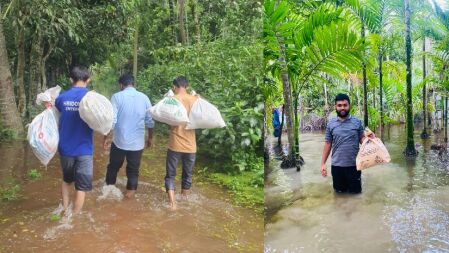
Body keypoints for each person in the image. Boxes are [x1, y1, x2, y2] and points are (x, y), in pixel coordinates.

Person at [103, 74, 154, 199]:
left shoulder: (116, 97)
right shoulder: (144, 97)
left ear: (121, 85)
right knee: (133, 169)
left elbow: (112, 120)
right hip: (137, 143)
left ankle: (109, 190)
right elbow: (150, 121)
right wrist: (150, 138)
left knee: (113, 167)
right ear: (133, 84)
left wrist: (105, 137)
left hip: (119, 141)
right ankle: (130, 193)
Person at [53, 66, 94, 215]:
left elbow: (55, 115)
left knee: (67, 180)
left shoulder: (61, 98)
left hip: (65, 148)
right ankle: (74, 218)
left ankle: (64, 208)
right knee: (81, 186)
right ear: (88, 80)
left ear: (71, 79)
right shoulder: (92, 98)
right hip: (85, 150)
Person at [320, 93, 372, 194]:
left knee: (356, 195)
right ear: (335, 106)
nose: (342, 108)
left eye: (345, 105)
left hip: (354, 166)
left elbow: (362, 139)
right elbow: (328, 144)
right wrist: (323, 163)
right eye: (339, 105)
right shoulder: (331, 124)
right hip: (337, 167)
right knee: (339, 195)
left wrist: (370, 140)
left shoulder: (357, 122)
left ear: (349, 106)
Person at [165, 76, 199, 210]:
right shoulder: (195, 100)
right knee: (187, 174)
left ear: (174, 87)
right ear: (187, 87)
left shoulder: (171, 100)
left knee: (170, 174)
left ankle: (173, 203)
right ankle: (184, 198)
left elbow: (164, 117)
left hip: (175, 143)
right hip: (191, 145)